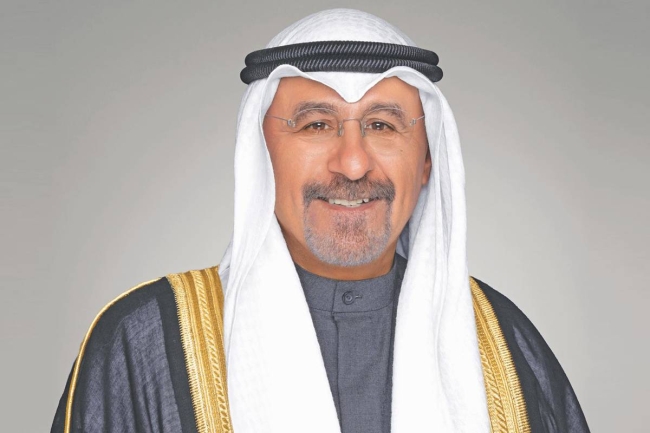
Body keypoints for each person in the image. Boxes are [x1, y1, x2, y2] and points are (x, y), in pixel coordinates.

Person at [51, 9, 589, 433]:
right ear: (261, 155)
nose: (352, 164)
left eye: (382, 125)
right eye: (315, 125)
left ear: (427, 160)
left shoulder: (503, 346)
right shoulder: (145, 342)